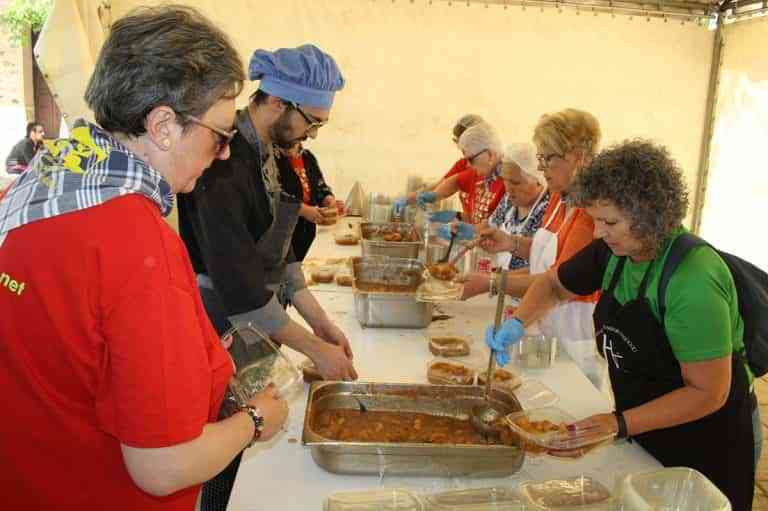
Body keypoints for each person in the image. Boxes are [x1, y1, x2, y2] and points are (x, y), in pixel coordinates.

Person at [0, 6, 288, 511]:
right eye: (220, 136)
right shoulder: (136, 243)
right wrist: (257, 420)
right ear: (162, 126)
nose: (223, 154)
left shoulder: (44, 183)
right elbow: (162, 467)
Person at [485, 140, 756, 510]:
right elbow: (552, 284)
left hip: (704, 444)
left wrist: (619, 424)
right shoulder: (613, 251)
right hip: (643, 428)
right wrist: (517, 324)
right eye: (595, 219)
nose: (597, 233)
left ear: (650, 215)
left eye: (609, 222)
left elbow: (708, 392)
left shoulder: (693, 279)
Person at [177, 44, 357, 510]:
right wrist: (315, 349)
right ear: (277, 102)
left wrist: (319, 321)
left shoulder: (272, 157)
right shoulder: (220, 165)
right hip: (221, 322)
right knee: (224, 442)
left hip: (261, 320)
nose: (313, 135)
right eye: (312, 122)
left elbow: (281, 258)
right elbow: (240, 289)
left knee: (248, 434)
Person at [479, 109, 603, 387]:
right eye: (540, 158)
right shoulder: (559, 198)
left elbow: (560, 279)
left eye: (549, 158)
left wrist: (493, 283)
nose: (542, 167)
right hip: (547, 325)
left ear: (579, 156)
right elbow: (547, 252)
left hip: (576, 336)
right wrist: (512, 243)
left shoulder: (591, 214)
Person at [434, 142, 549, 285]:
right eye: (505, 180)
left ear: (538, 181)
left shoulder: (547, 210)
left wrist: (490, 282)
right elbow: (489, 224)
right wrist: (470, 231)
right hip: (501, 285)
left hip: (525, 291)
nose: (508, 189)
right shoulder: (509, 200)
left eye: (515, 182)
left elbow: (544, 270)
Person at [395, 122, 505, 225]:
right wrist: (435, 196)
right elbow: (455, 181)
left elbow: (500, 232)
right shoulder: (481, 170)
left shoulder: (509, 182)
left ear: (490, 155)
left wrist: (471, 232)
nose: (468, 165)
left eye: (470, 159)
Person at [276, 141, 336, 261]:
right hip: (284, 233)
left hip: (307, 230)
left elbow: (320, 185)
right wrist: (304, 210)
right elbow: (276, 196)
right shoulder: (273, 160)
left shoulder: (308, 157)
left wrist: (327, 198)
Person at [424, 114, 485, 219]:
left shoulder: (492, 173)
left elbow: (453, 182)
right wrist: (457, 216)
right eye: (457, 142)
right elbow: (440, 185)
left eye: (463, 142)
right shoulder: (463, 164)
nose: (461, 148)